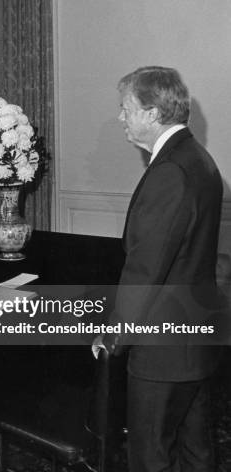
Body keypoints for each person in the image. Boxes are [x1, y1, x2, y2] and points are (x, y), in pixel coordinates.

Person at [94, 66, 223, 471]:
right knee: (196, 450)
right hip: (194, 339)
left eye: (126, 108)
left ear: (152, 113)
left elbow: (146, 269)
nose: (121, 118)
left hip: (162, 348)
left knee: (150, 455)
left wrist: (114, 334)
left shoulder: (169, 171)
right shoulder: (198, 158)